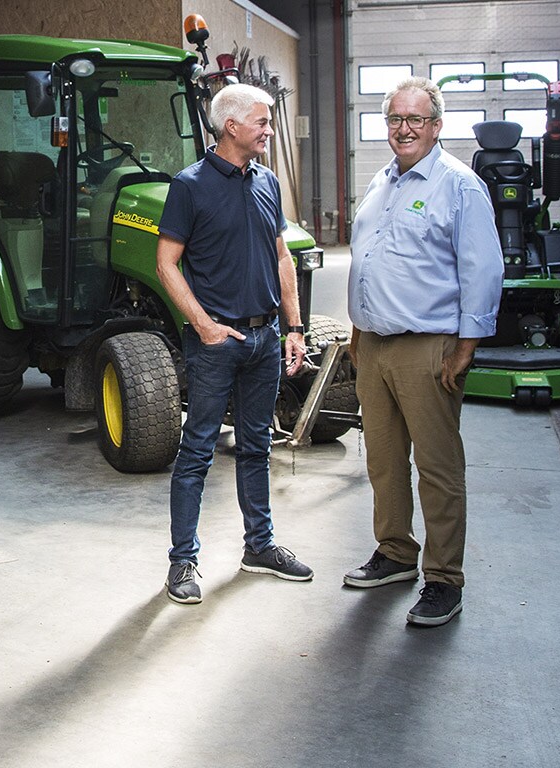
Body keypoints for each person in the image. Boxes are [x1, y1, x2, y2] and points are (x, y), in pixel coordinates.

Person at [344, 77, 502, 627]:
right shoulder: (381, 183)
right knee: (383, 462)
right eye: (394, 120)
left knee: (436, 467)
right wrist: (359, 333)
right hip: (376, 345)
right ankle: (394, 553)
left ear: (437, 126)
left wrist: (466, 346)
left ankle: (443, 578)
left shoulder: (459, 185)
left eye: (415, 120)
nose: (403, 130)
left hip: (427, 345)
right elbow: (369, 262)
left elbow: (482, 269)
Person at [157, 83, 312, 605]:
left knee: (257, 447)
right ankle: (183, 562)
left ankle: (259, 546)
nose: (269, 130)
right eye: (263, 122)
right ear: (231, 127)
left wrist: (293, 327)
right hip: (217, 340)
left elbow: (283, 257)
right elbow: (166, 263)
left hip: (266, 336)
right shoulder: (190, 185)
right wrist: (203, 325)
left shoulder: (267, 181)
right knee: (198, 449)